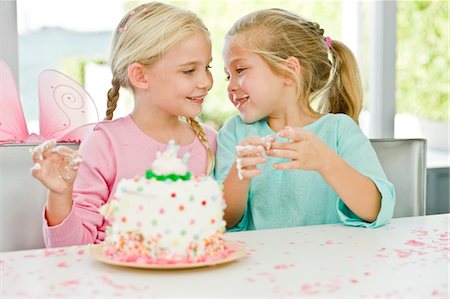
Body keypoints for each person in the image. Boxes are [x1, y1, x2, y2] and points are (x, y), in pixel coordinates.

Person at [31, 2, 216, 247]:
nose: (206, 81)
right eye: (189, 70)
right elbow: (70, 249)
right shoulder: (104, 144)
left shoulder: (210, 141)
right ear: (140, 75)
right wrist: (60, 194)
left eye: (208, 67)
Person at [215, 8, 395, 231]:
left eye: (240, 70)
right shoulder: (234, 133)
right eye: (228, 75)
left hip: (331, 261)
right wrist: (239, 173)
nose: (230, 86)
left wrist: (326, 162)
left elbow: (375, 211)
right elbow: (222, 220)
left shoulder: (339, 130)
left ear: (288, 71)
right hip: (259, 263)